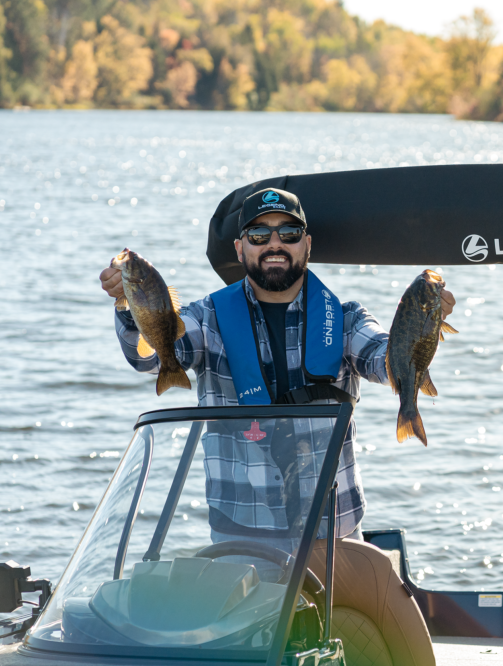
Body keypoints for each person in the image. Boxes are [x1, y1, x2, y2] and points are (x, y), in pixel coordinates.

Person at [99, 188, 456, 561]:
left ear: (307, 245)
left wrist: (423, 325)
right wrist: (129, 304)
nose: (274, 244)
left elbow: (386, 362)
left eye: (289, 233)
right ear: (240, 249)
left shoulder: (347, 319)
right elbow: (149, 360)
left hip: (335, 531)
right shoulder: (206, 319)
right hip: (239, 538)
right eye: (258, 235)